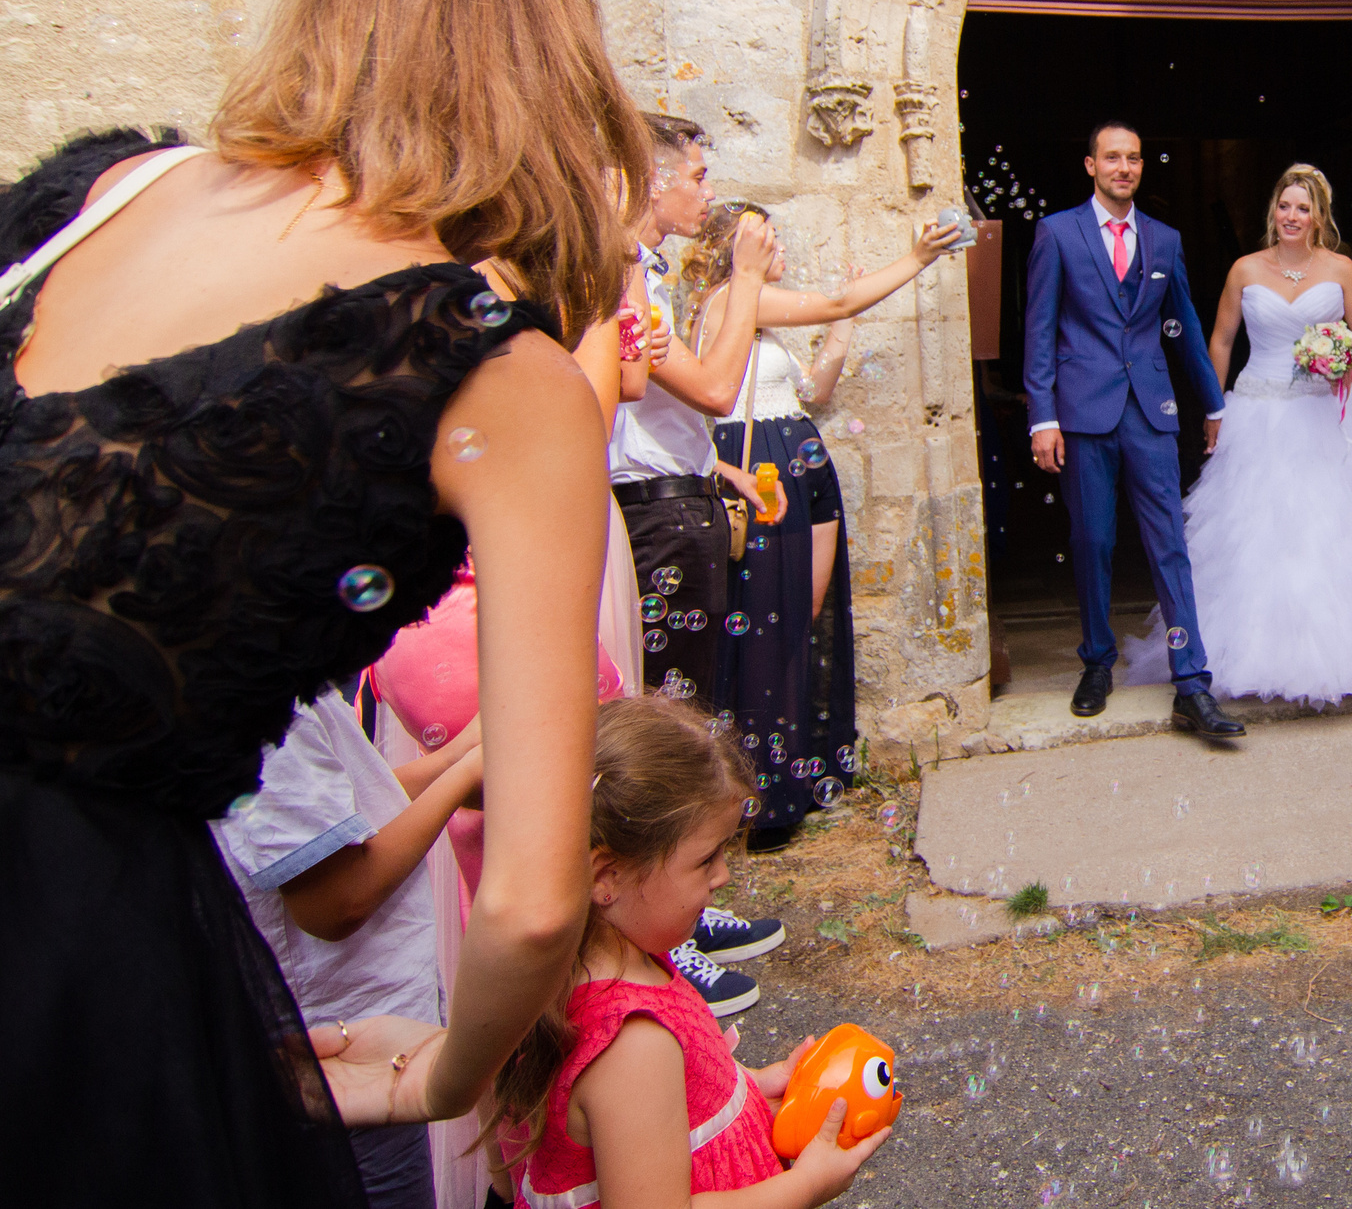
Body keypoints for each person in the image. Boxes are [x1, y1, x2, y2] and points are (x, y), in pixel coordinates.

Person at [0, 0, 638, 1204]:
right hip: (60, 940)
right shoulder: (492, 371)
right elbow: (530, 895)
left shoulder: (107, 190)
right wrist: (442, 1075)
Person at [493, 696, 890, 1209]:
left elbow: (660, 1112)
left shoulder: (623, 964)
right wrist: (808, 1184)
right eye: (706, 859)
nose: (723, 876)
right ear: (605, 877)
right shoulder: (631, 1045)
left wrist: (747, 1090)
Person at [1123, 165, 1352, 704]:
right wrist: (1214, 407)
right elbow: (1219, 341)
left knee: (1333, 533)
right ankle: (1248, 654)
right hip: (1257, 411)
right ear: (1273, 212)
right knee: (1259, 535)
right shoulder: (1244, 269)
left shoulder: (1341, 270)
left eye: (1302, 209)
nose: (1292, 216)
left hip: (1322, 413)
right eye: (1284, 207)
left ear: (1318, 218)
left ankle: (1347, 654)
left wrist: (1346, 356)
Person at [682, 198, 963, 849]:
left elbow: (815, 388)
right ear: (734, 249)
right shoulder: (732, 298)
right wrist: (917, 258)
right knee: (765, 625)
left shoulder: (758, 317)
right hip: (763, 470)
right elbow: (834, 302)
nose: (778, 249)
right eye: (766, 239)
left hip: (799, 464)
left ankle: (796, 767)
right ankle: (760, 793)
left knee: (797, 618)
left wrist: (843, 328)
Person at [213, 697, 488, 1209]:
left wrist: (449, 762)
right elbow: (336, 902)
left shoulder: (271, 693)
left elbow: (344, 817)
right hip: (340, 1064)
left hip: (339, 1050)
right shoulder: (275, 717)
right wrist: (463, 774)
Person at [1025, 121, 1242, 739]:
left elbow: (1187, 326)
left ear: (1142, 168)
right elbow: (1039, 331)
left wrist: (1213, 403)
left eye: (1134, 158)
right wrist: (1043, 416)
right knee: (1093, 542)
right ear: (1090, 165)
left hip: (1152, 413)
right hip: (1083, 415)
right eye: (1112, 157)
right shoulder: (1057, 233)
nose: (1125, 166)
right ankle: (1097, 663)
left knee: (1169, 543)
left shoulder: (1165, 240)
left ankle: (1192, 684)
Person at [611, 114, 778, 705]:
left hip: (673, 503)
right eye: (699, 176)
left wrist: (716, 466)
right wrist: (749, 279)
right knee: (673, 710)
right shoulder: (623, 272)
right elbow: (715, 391)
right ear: (652, 179)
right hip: (661, 523)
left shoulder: (641, 274)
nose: (709, 193)